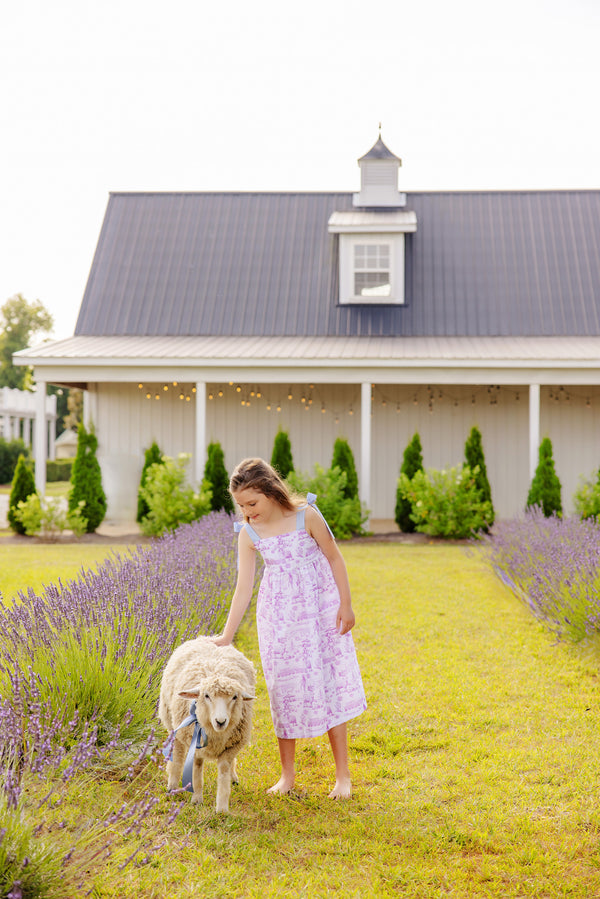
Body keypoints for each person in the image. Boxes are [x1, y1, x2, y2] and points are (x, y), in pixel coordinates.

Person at [211, 457, 367, 799]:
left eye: (252, 503)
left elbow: (334, 556)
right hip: (279, 619)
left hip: (320, 613)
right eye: (240, 506)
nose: (247, 512)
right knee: (284, 691)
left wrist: (346, 604)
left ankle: (342, 777)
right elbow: (244, 587)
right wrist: (227, 634)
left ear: (270, 491)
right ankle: (288, 776)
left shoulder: (306, 516)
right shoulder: (250, 534)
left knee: (330, 687)